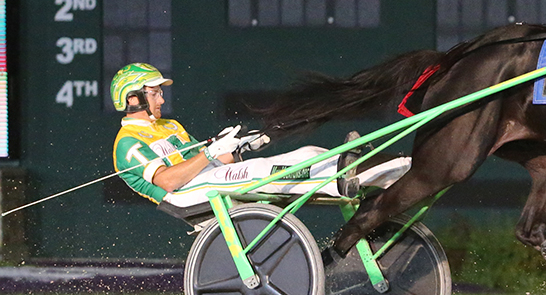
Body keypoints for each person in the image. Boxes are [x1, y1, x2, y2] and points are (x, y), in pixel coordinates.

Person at [110, 63, 409, 211]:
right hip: (186, 195)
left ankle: (356, 168)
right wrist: (211, 154)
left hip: (209, 178)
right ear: (133, 98)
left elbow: (201, 162)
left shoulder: (169, 126)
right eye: (155, 93)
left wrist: (239, 147)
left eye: (160, 93)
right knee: (262, 172)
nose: (161, 100)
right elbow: (167, 181)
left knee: (303, 154)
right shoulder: (127, 142)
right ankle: (341, 180)